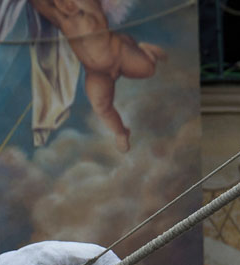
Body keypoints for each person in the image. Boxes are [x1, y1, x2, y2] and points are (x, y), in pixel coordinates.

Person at [27, 0, 166, 152]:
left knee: (149, 69)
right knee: (101, 107)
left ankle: (145, 50)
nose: (65, 5)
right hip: (96, 73)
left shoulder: (91, 10)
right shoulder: (62, 20)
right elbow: (40, 5)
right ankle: (121, 132)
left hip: (119, 55)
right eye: (59, 3)